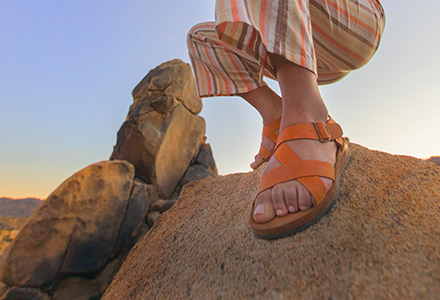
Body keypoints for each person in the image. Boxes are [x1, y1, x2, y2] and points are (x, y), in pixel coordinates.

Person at [187, 0, 385, 239]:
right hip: (296, 33)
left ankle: (307, 113)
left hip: (351, 24)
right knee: (199, 37)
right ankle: (276, 117)